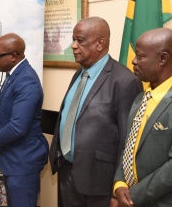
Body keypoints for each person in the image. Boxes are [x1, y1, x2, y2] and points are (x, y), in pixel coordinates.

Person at [48, 16, 143, 207]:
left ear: (100, 44)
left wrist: (117, 189)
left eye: (80, 40)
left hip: (100, 185)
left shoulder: (124, 81)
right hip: (68, 172)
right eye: (73, 39)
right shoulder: (79, 73)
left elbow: (128, 142)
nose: (73, 46)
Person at [0, 33, 49, 207]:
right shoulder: (14, 75)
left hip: (23, 162)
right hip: (14, 160)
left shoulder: (26, 81)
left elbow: (17, 127)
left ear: (13, 56)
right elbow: (7, 114)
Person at [113, 28, 172, 207]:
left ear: (163, 58)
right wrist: (120, 183)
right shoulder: (140, 98)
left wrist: (133, 196)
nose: (133, 60)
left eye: (141, 56)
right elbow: (127, 146)